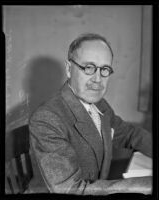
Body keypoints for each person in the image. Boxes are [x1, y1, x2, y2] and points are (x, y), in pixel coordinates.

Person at [29, 33, 152, 195]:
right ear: (68, 69)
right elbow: (71, 189)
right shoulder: (47, 119)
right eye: (88, 67)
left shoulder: (98, 103)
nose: (97, 79)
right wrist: (146, 185)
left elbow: (129, 134)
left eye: (105, 69)